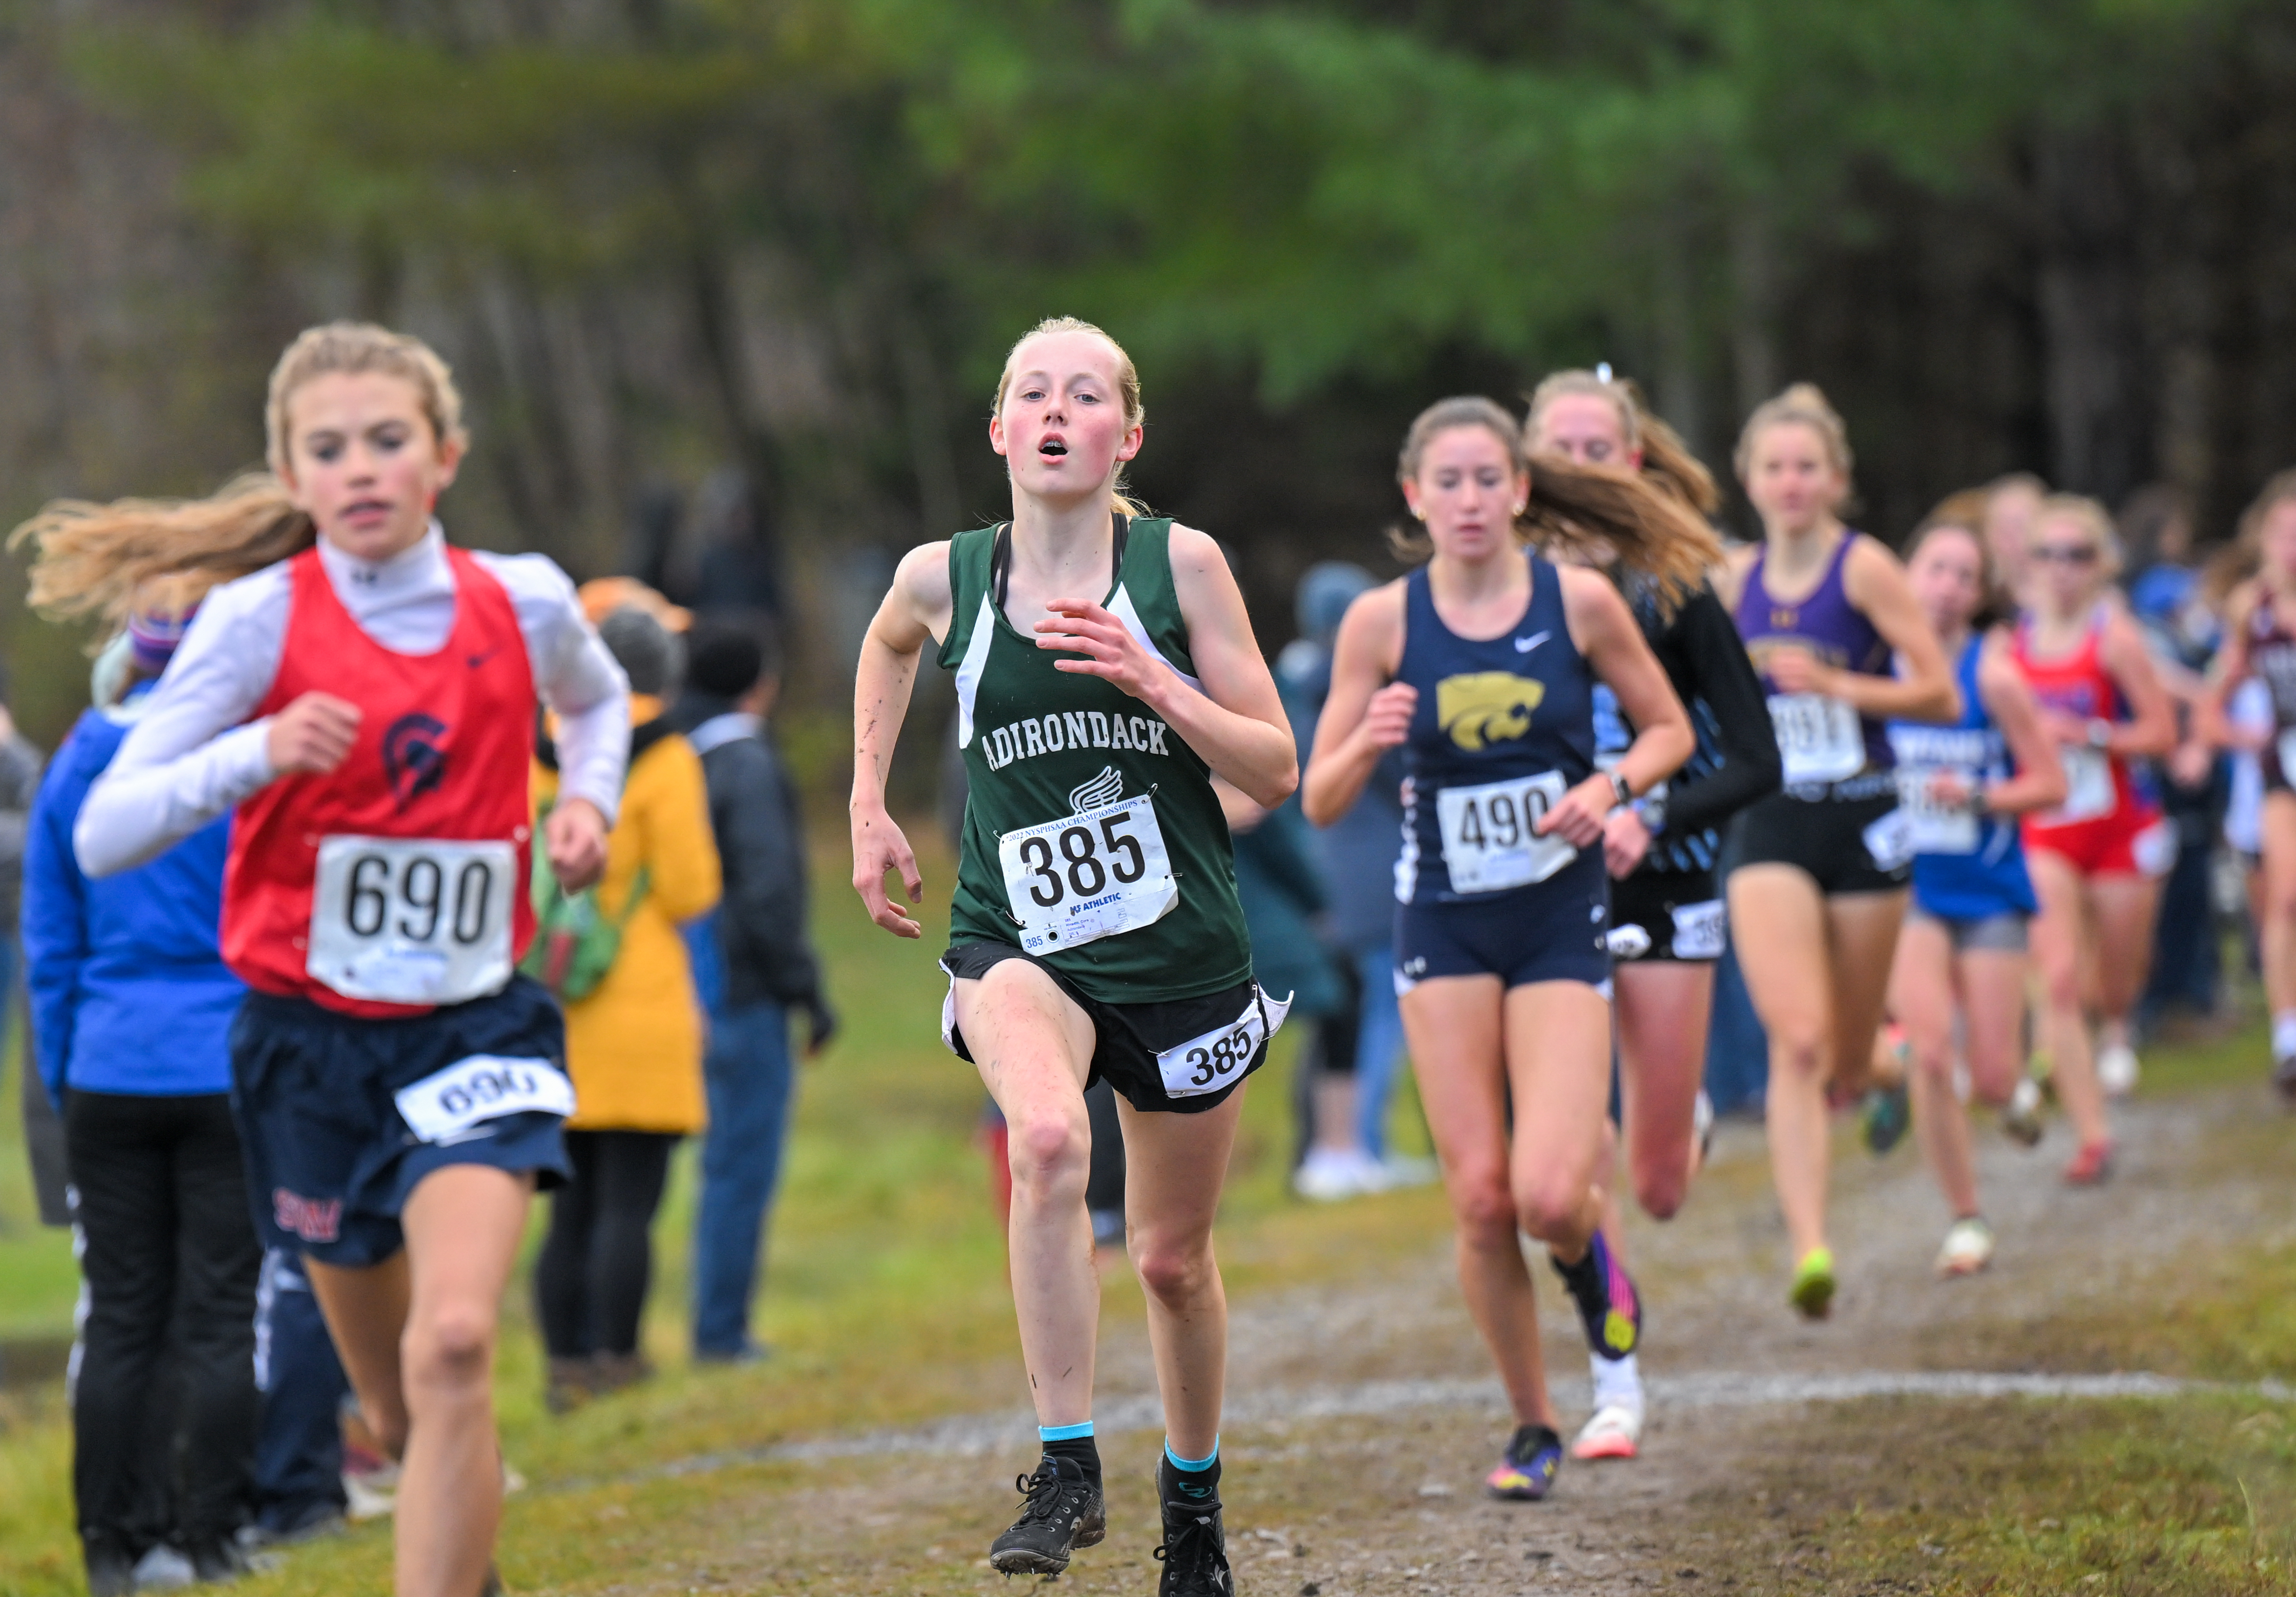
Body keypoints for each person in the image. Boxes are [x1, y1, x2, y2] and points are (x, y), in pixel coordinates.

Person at [42, 321, 629, 1597]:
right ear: (293, 477)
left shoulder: (520, 598)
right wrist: (258, 752)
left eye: (386, 440)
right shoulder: (256, 624)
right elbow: (102, 832)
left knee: (459, 1341)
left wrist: (587, 805)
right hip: (309, 1048)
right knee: (405, 1405)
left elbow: (597, 702)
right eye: (328, 449)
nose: (360, 467)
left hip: (476, 1026)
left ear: (443, 458)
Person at [850, 317, 1297, 1592]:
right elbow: (887, 640)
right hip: (1016, 940)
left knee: (1169, 1257)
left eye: (1085, 394)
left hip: (1180, 951)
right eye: (1030, 392)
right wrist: (868, 798)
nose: (1055, 410)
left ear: (1126, 436)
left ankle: (1194, 1508)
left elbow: (1277, 766)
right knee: (1046, 1142)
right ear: (998, 430)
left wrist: (1156, 679)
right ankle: (1064, 1464)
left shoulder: (1182, 566)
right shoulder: (947, 576)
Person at [1305, 396, 1709, 1500]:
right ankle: (1534, 1423)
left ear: (1522, 492)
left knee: (1546, 1193)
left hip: (1554, 919)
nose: (1472, 501)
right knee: (1480, 1197)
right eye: (1450, 481)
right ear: (1415, 497)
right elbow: (1323, 794)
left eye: (1491, 479)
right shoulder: (1381, 625)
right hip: (1442, 919)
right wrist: (1368, 740)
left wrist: (1611, 784)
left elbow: (1670, 728)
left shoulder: (1576, 601)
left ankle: (1593, 1270)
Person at [1521, 369, 1782, 1461]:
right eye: (1559, 446)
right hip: (1544, 893)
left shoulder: (1674, 588)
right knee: (1572, 1152)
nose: (1580, 463)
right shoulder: (1491, 587)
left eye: (1600, 446)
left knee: (1660, 1182)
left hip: (1664, 873)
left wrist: (1647, 804)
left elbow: (1757, 759)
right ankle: (1614, 1374)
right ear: (1528, 457)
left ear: (1634, 461)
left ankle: (1679, 1129)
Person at [20, 601, 259, 1594]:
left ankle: (113, 1544)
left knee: (121, 1313)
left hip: (110, 1066)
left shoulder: (78, 760)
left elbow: (50, 936)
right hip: (228, 1066)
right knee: (218, 1315)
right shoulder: (241, 761)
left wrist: (67, 1069)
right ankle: (212, 1537)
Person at [1718, 383, 1959, 1320]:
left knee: (1850, 1056)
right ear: (1748, 479)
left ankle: (1886, 1065)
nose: (1790, 482)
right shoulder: (1729, 583)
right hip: (1771, 821)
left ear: (1837, 480)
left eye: (1806, 467)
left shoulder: (1864, 573)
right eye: (1774, 466)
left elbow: (1938, 694)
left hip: (1863, 817)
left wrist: (1837, 685)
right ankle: (1811, 1244)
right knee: (1802, 1039)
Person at [532, 605, 720, 1408]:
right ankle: (616, 1355)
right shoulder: (667, 757)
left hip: (550, 1000)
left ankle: (561, 1364)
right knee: (627, 1206)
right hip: (637, 996)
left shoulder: (535, 747)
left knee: (567, 1205)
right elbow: (690, 888)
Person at [1884, 522, 2066, 1275]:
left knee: (1988, 1075)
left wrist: (1982, 794)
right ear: (1906, 573)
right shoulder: (1876, 671)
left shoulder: (1992, 677)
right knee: (1929, 1049)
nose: (1950, 587)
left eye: (1965, 575)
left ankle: (2016, 1085)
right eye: (1937, 569)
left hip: (1988, 889)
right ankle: (1966, 1216)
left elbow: (2050, 782)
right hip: (1909, 889)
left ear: (1979, 591)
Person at [673, 620, 837, 1363]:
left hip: (683, 988)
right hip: (745, 992)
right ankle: (720, 1331)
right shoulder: (747, 763)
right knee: (740, 1165)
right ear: (760, 685)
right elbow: (768, 891)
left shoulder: (673, 759)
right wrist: (806, 988)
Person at [2012, 496, 2177, 1179]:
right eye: (2048, 553)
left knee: (2114, 974)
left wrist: (2092, 736)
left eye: (2077, 555)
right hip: (2047, 828)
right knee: (2055, 976)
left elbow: (2163, 734)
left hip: (2116, 828)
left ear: (2100, 564)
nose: (2062, 569)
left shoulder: (2115, 640)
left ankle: (2115, 1026)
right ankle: (2091, 1133)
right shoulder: (2011, 644)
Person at [1277, 562, 1424, 1197]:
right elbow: (1400, 777)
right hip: (1378, 873)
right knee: (1383, 1017)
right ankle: (1362, 1145)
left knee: (1346, 1015)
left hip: (1323, 868)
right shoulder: (1361, 691)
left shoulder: (1287, 689)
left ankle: (1339, 1144)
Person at [2199, 470, 2296, 1095]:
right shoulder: (2251, 609)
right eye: (2283, 533)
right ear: (2261, 538)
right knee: (2286, 899)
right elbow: (2214, 704)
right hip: (2280, 772)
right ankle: (2289, 1039)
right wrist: (2246, 739)